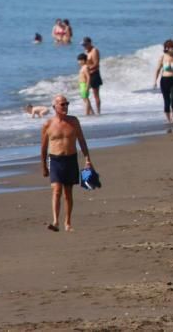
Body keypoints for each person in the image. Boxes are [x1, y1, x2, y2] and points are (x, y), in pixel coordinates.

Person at [40, 94, 93, 232]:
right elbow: (44, 147)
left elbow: (81, 140)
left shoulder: (73, 121)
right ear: (55, 107)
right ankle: (56, 221)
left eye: (66, 104)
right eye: (62, 104)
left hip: (71, 159)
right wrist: (44, 165)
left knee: (68, 193)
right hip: (55, 160)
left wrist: (87, 159)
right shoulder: (48, 124)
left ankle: (68, 223)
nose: (65, 106)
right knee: (57, 190)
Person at [153, 39, 173, 124]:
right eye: (172, 47)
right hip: (165, 81)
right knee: (166, 101)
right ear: (167, 48)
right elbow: (157, 69)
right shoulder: (163, 57)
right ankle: (168, 119)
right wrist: (155, 81)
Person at [81, 37, 102, 115]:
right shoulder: (86, 51)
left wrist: (87, 68)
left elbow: (96, 64)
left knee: (95, 94)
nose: (84, 46)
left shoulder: (94, 51)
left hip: (94, 74)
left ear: (90, 43)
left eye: (85, 44)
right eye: (83, 45)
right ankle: (92, 112)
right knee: (84, 94)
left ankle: (98, 112)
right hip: (87, 74)